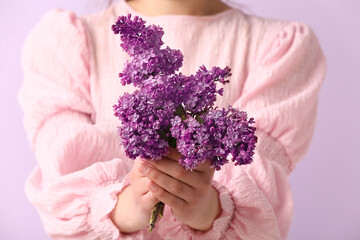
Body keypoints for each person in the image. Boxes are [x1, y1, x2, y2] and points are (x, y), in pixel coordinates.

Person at [18, 0, 326, 239]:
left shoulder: (280, 46)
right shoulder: (67, 43)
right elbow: (62, 183)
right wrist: (129, 207)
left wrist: (206, 209)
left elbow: (259, 186)